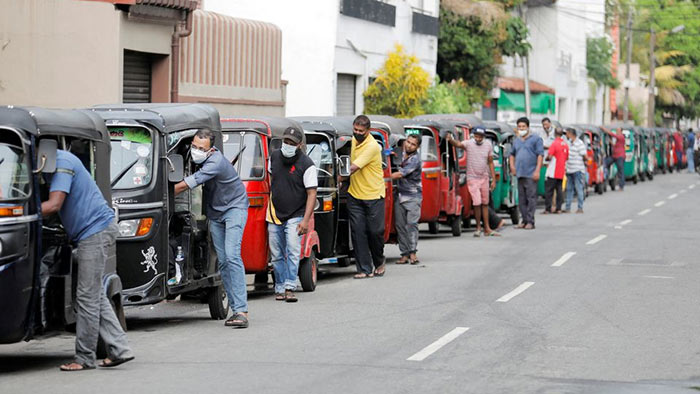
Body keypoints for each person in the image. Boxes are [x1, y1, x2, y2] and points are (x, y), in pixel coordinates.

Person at [41, 150, 133, 371]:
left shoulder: (62, 162)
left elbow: (54, 204)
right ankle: (120, 348)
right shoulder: (51, 162)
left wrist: (16, 210)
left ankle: (84, 358)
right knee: (94, 294)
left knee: (86, 296)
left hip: (94, 231)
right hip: (92, 230)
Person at [174, 129, 250, 328]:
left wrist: (158, 194)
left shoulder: (215, 162)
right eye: (195, 146)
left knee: (233, 256)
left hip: (234, 208)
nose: (197, 150)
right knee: (223, 261)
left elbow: (187, 185)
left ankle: (242, 311)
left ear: (211, 150)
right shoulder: (190, 155)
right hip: (215, 213)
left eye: (202, 149)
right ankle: (235, 309)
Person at [267, 127, 317, 302]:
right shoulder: (273, 157)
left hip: (296, 214)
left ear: (299, 145)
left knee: (293, 250)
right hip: (274, 213)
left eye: (291, 143)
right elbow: (272, 180)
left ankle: (289, 286)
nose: (287, 145)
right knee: (276, 254)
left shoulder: (307, 164)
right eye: (285, 142)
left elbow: (312, 193)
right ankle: (279, 287)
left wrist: (305, 220)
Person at [344, 115, 386, 279]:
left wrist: (339, 176)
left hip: (373, 195)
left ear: (368, 131)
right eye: (355, 130)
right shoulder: (354, 141)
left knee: (375, 232)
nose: (357, 133)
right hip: (355, 194)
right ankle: (364, 269)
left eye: (361, 131)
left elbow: (352, 168)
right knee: (358, 232)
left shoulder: (372, 146)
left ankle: (379, 261)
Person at [447, 126, 499, 237]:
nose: (478, 138)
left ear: (483, 137)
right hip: (472, 178)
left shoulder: (488, 145)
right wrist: (450, 139)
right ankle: (478, 228)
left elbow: (490, 162)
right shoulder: (469, 143)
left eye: (480, 137)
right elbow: (458, 144)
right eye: (476, 136)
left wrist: (493, 179)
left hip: (484, 177)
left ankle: (487, 228)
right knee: (477, 202)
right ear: (473, 136)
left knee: (485, 203)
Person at [390, 133, 422, 264]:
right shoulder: (399, 153)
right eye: (408, 142)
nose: (409, 145)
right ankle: (404, 254)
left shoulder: (415, 159)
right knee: (400, 226)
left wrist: (381, 176)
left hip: (413, 197)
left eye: (413, 144)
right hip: (399, 195)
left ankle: (413, 253)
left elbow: (400, 174)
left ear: (417, 147)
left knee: (411, 225)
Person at [510, 117, 543, 230]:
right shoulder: (516, 141)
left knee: (531, 198)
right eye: (519, 127)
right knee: (521, 199)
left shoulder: (536, 139)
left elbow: (540, 155)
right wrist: (512, 167)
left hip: (531, 173)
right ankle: (524, 220)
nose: (521, 129)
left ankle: (530, 221)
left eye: (523, 127)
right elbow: (512, 155)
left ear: (528, 127)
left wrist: (537, 170)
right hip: (519, 173)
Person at [543, 127, 569, 214]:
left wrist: (546, 159)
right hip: (561, 171)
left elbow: (549, 156)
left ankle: (548, 208)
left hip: (552, 171)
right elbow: (567, 157)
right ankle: (558, 208)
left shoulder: (554, 144)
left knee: (549, 191)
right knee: (559, 190)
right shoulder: (565, 144)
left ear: (554, 134)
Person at [564, 128, 587, 214]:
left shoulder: (579, 143)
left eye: (567, 133)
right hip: (569, 169)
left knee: (578, 188)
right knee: (569, 189)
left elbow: (584, 155)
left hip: (578, 170)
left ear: (570, 134)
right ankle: (567, 207)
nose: (566, 135)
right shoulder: (569, 143)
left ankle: (580, 208)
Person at [602, 126, 626, 191]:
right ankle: (605, 178)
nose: (617, 131)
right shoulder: (619, 139)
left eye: (618, 130)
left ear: (621, 131)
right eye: (616, 130)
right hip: (614, 156)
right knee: (605, 163)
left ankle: (621, 186)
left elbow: (613, 135)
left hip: (620, 156)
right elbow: (616, 146)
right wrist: (611, 143)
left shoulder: (621, 137)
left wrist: (605, 129)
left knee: (620, 171)